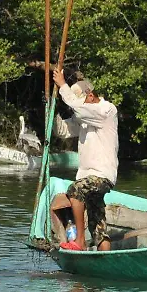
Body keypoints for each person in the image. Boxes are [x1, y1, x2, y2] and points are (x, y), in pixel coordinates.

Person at [52, 68, 118, 251]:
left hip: (102, 175)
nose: (77, 107)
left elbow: (79, 109)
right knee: (97, 224)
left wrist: (62, 84)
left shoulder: (106, 110)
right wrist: (53, 110)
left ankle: (79, 242)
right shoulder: (84, 116)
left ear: (90, 95)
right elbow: (63, 131)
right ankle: (106, 258)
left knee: (75, 190)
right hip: (87, 175)